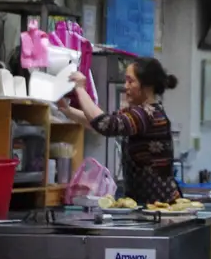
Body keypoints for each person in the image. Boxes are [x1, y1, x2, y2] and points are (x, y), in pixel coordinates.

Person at [58, 57, 180, 205]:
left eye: (131, 81)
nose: (125, 86)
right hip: (146, 203)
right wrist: (68, 110)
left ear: (147, 86)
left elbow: (106, 124)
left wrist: (80, 89)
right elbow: (98, 122)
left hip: (160, 205)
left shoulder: (146, 115)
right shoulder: (141, 112)